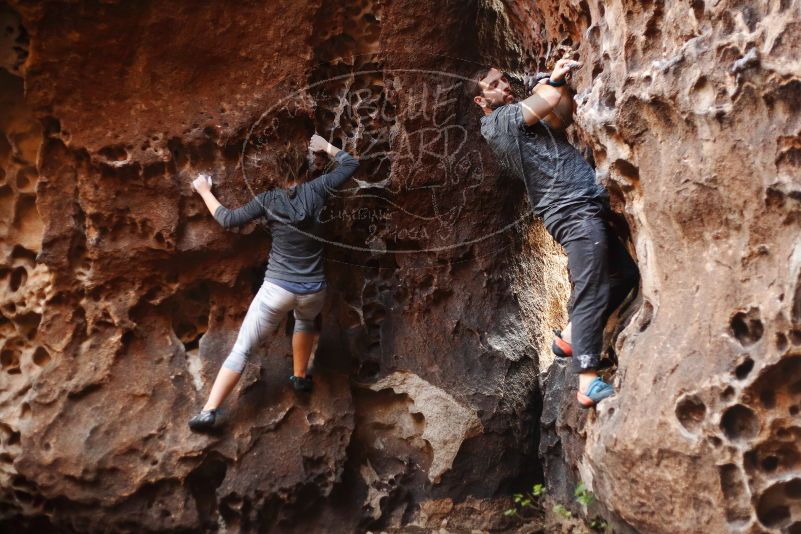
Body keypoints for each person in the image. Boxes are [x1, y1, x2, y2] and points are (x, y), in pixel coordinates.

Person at [470, 59, 639, 408]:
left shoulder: (522, 120)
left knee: (623, 275)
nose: (503, 87)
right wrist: (549, 80)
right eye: (493, 85)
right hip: (570, 211)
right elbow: (546, 99)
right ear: (480, 100)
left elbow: (559, 114)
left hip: (581, 207)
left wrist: (556, 86)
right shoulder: (498, 122)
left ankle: (570, 336)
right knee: (591, 285)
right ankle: (588, 381)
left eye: (503, 80)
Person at [187, 134, 359, 432]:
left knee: (242, 348)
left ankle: (209, 411)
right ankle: (300, 377)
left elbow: (228, 219)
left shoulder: (267, 200)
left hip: (277, 289)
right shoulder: (319, 189)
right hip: (313, 290)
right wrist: (325, 146)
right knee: (305, 322)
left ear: (274, 173)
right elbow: (351, 162)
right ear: (306, 170)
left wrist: (204, 190)